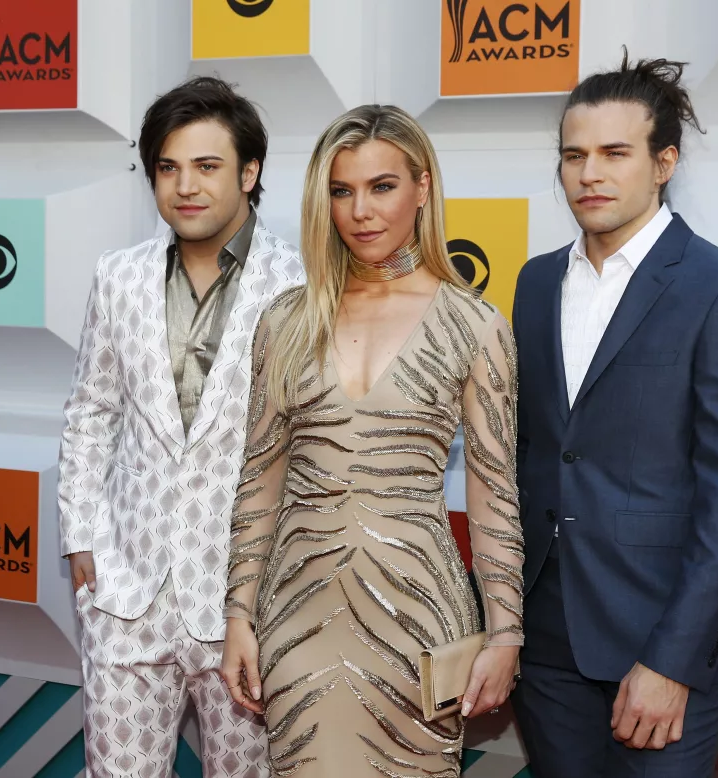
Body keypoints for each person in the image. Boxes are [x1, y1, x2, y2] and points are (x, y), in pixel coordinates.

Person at [220, 104, 524, 777]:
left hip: (417, 618)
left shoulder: (475, 326)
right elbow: (259, 482)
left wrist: (506, 633)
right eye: (341, 190)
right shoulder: (285, 322)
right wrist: (239, 615)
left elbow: (495, 496)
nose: (360, 210)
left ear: (423, 187)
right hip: (298, 615)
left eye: (382, 187)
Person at [510, 50, 718, 777]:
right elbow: (530, 452)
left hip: (657, 642)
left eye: (613, 153)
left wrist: (672, 660)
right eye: (573, 155)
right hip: (545, 644)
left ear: (663, 162)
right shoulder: (535, 283)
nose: (588, 173)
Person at [57, 75, 304, 777]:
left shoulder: (300, 284)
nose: (184, 186)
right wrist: (82, 540)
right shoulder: (119, 276)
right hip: (126, 594)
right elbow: (90, 412)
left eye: (206, 166)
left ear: (250, 172)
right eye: (167, 168)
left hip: (247, 606)